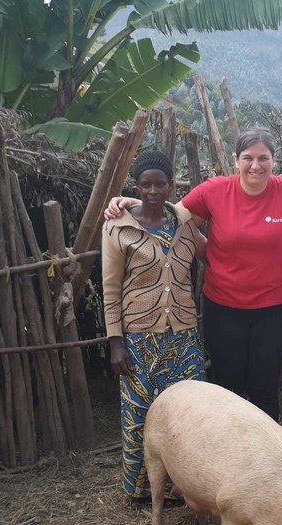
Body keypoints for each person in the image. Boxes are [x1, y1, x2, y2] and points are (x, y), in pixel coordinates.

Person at [106, 128, 282, 421]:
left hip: (274, 311)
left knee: (265, 387)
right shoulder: (214, 190)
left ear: (273, 161)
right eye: (248, 158)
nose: (256, 165)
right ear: (235, 160)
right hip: (223, 309)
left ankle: (265, 460)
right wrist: (132, 204)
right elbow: (171, 216)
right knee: (228, 388)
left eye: (263, 158)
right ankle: (228, 459)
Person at [102, 150, 207, 503]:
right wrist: (116, 343)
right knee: (139, 413)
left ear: (170, 186)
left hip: (183, 336)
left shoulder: (185, 224)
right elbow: (111, 289)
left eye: (160, 184)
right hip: (138, 338)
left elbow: (213, 253)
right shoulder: (118, 227)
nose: (152, 191)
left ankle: (186, 486)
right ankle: (140, 490)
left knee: (190, 414)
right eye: (145, 185)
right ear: (136, 186)